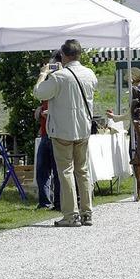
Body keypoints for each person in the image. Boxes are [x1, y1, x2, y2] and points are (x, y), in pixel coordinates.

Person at [34, 39, 98, 227]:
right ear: (79, 54)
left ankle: (71, 215)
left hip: (63, 130)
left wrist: (43, 74)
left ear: (63, 55)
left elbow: (39, 93)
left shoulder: (59, 76)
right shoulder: (89, 73)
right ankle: (87, 213)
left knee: (66, 172)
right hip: (83, 128)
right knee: (83, 171)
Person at [34, 50, 62, 211]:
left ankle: (58, 202)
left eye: (53, 64)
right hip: (45, 131)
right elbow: (41, 98)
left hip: (56, 131)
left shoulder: (62, 80)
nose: (50, 67)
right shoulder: (51, 81)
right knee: (42, 170)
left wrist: (42, 75)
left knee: (58, 171)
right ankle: (44, 202)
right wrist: (39, 110)